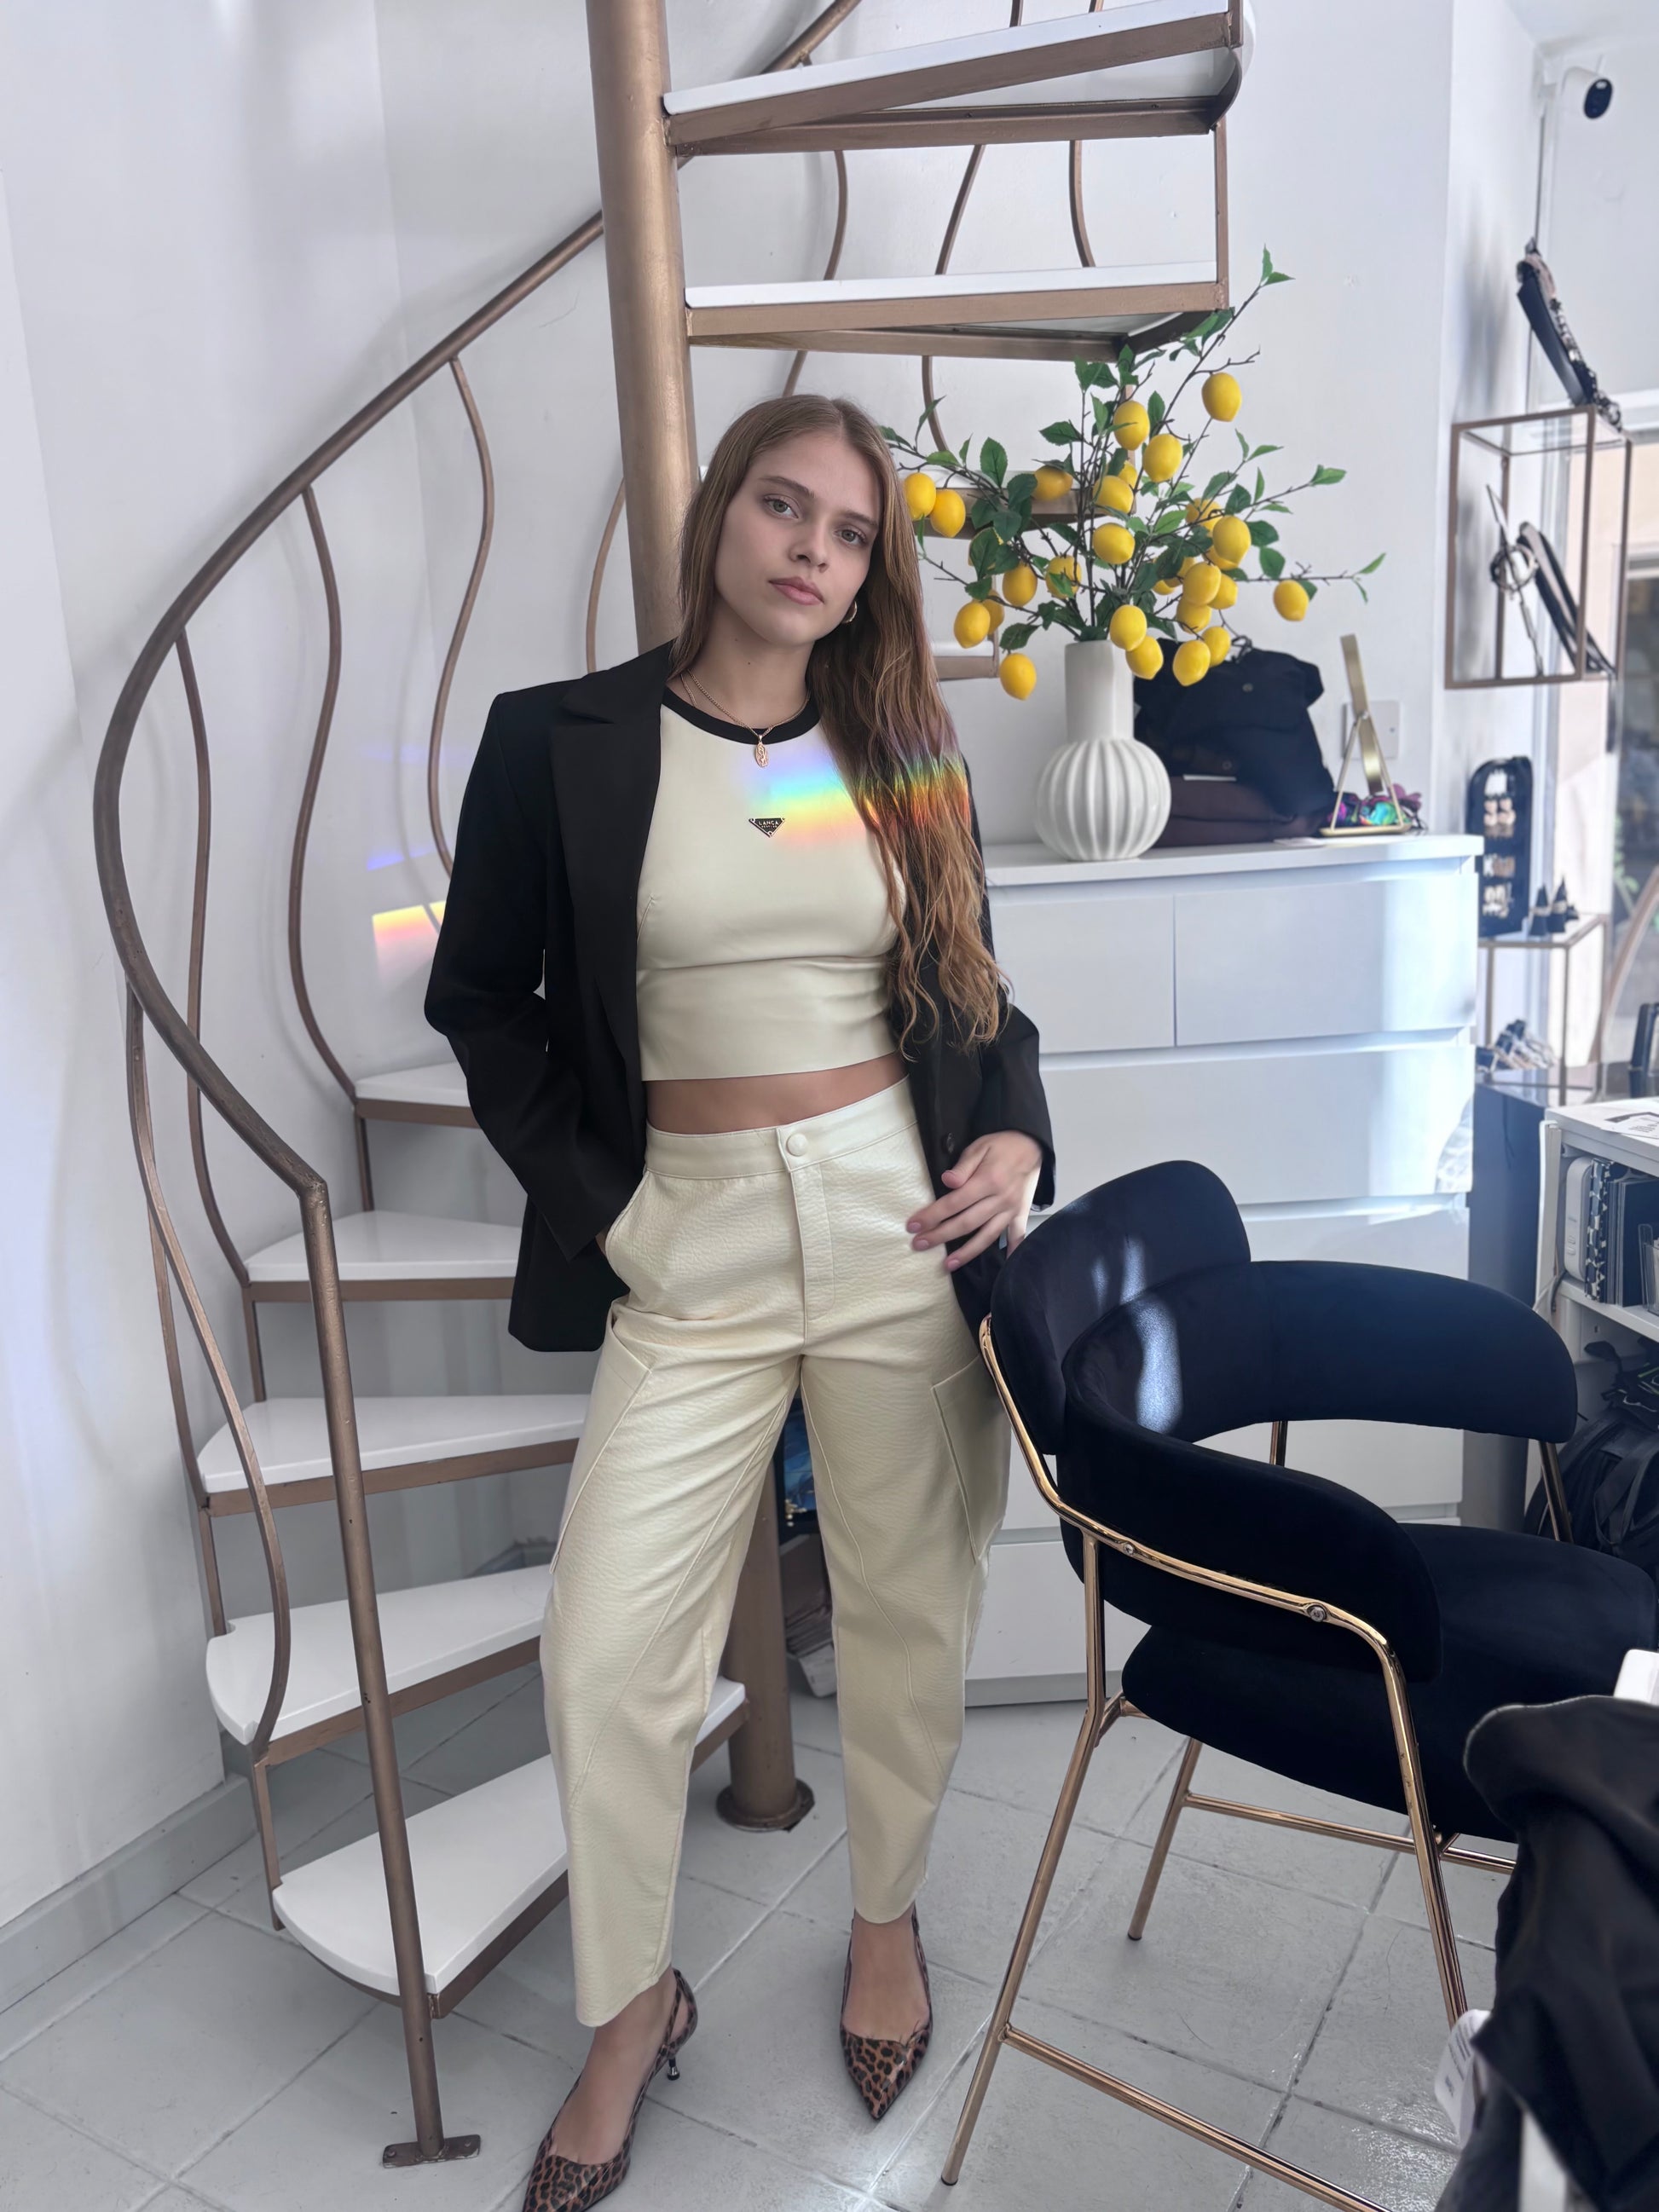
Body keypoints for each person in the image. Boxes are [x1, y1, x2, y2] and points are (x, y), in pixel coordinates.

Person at [425, 391, 1055, 2211]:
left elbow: (976, 990)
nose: (811, 550)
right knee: (601, 1646)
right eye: (785, 507)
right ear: (721, 516)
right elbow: (481, 1002)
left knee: (908, 1602)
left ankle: (884, 1917)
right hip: (681, 1235)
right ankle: (631, 2002)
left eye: (849, 532)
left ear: (869, 572)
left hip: (891, 1221)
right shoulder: (559, 739)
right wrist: (614, 1214)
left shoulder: (901, 745)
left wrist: (1016, 1133)